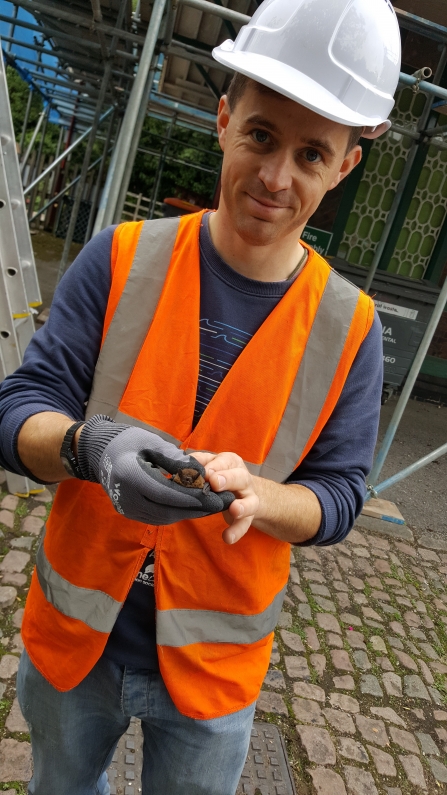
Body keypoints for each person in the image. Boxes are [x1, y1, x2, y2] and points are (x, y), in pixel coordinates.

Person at [0, 0, 401, 793]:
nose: (276, 177)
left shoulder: (349, 328)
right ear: (223, 118)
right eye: (260, 135)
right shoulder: (121, 259)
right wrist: (89, 445)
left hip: (213, 668)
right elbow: (18, 408)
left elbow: (341, 494)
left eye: (311, 154)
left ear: (344, 165)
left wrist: (261, 498)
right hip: (78, 645)